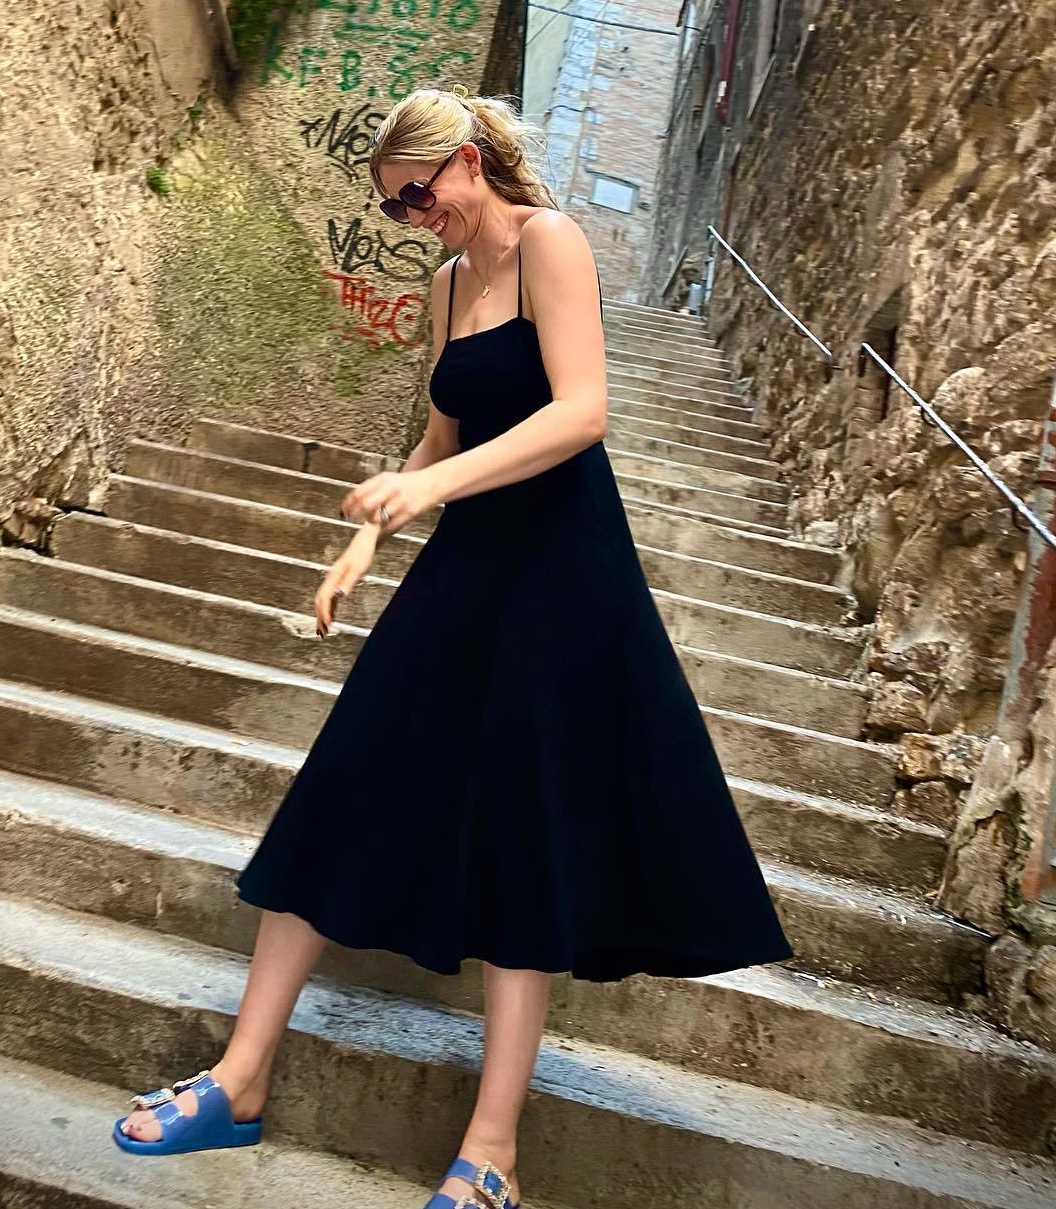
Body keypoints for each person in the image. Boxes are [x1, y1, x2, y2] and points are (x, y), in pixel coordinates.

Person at [112, 86, 793, 1207]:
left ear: (470, 161)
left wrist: (428, 487)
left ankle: (493, 1152)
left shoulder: (549, 243)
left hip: (564, 572)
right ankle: (239, 1081)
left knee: (524, 832)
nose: (411, 217)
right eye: (392, 208)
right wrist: (364, 545)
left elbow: (582, 412)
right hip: (467, 561)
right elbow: (440, 435)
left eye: (417, 194)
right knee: (343, 786)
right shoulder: (445, 283)